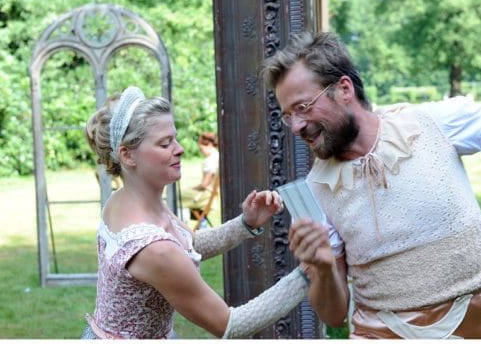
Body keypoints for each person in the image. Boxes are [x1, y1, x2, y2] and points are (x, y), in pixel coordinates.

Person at [262, 32, 481, 339]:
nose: (296, 126)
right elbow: (333, 314)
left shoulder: (431, 125)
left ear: (344, 89)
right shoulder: (315, 191)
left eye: (303, 107)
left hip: (473, 329)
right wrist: (323, 268)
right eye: (288, 116)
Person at [82, 86, 310, 339]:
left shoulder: (125, 200)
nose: (179, 149)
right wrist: (308, 273)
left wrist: (245, 224)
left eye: (175, 138)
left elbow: (184, 244)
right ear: (127, 155)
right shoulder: (153, 249)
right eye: (165, 143)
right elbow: (230, 324)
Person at [185, 132, 220, 225]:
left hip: (205, 196)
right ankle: (200, 223)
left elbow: (204, 185)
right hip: (211, 195)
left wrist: (192, 188)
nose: (201, 151)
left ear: (209, 145)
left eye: (201, 148)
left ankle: (184, 223)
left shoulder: (210, 161)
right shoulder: (218, 156)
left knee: (174, 197)